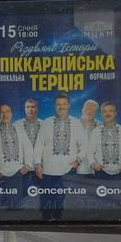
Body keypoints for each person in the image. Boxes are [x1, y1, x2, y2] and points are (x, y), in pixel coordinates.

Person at [34, 92, 87, 220]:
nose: (61, 107)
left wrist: (78, 161)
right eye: (58, 104)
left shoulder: (76, 123)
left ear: (69, 105)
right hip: (48, 169)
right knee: (46, 195)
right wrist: (37, 164)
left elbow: (84, 145)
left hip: (68, 169)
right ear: (55, 106)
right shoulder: (46, 123)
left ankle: (58, 216)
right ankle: (46, 217)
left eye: (64, 104)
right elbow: (39, 145)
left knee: (61, 196)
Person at [0, 104, 33, 209]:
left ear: (11, 114)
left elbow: (28, 148)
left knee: (15, 205)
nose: (5, 114)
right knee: (0, 206)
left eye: (7, 112)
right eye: (2, 112)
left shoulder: (19, 130)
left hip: (17, 172)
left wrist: (27, 166)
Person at [13, 98, 42, 198]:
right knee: (21, 194)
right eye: (28, 107)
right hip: (23, 167)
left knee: (41, 194)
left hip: (39, 167)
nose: (30, 109)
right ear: (25, 109)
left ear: (37, 109)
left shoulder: (44, 125)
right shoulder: (16, 125)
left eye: (33, 107)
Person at [90, 101, 121, 179]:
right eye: (104, 111)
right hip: (101, 172)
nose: (107, 114)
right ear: (101, 114)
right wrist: (93, 164)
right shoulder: (95, 131)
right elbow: (89, 151)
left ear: (115, 113)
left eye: (110, 111)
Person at [77, 99, 99, 176]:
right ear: (82, 109)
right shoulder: (74, 125)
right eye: (88, 109)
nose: (90, 112)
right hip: (74, 170)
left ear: (96, 112)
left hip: (94, 171)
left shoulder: (100, 126)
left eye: (93, 110)